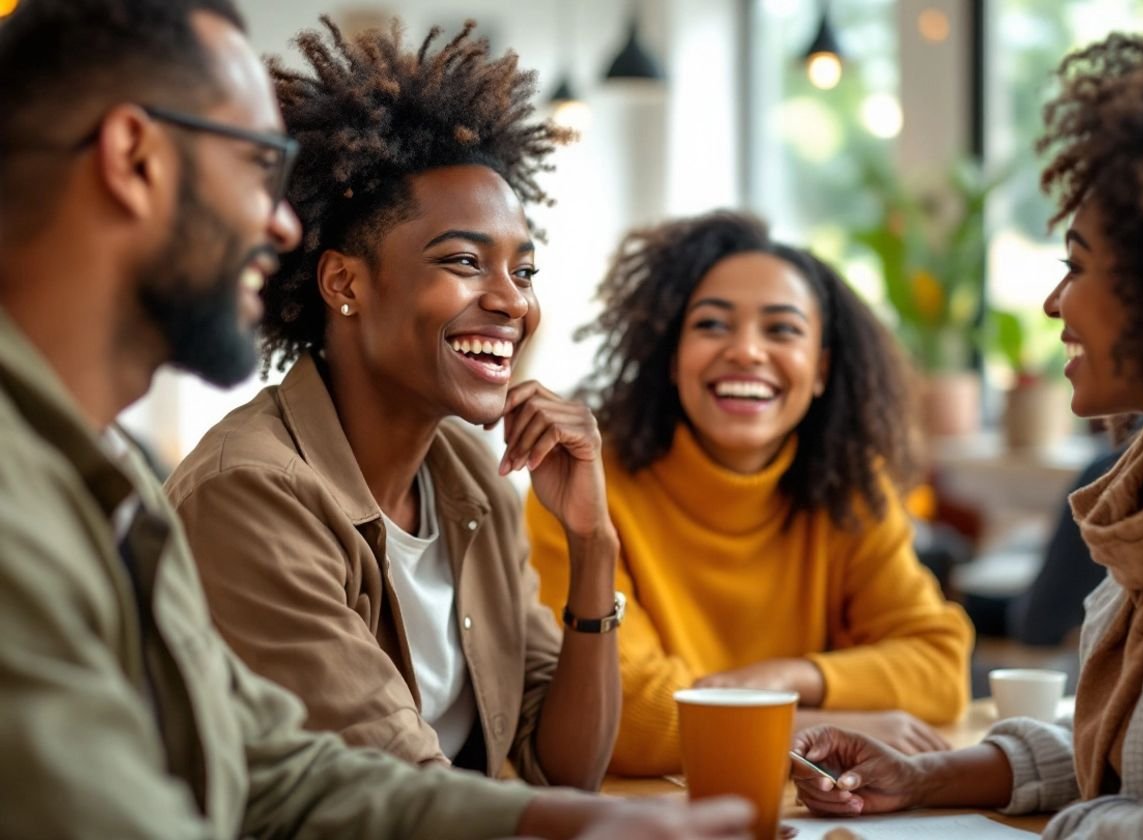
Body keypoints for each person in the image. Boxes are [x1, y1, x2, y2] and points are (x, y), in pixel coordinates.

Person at [0, 1, 750, 837]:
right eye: (255, 166)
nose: (279, 220)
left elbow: (281, 769)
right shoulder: (171, 492)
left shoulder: (112, 475)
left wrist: (566, 820)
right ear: (134, 159)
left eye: (522, 268)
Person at [790, 16, 1143, 837]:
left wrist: (1077, 822)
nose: (1052, 304)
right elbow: (1126, 748)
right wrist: (928, 777)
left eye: (1076, 266)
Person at [164, 17, 620, 789]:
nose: (510, 301)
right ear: (344, 284)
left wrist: (593, 546)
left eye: (524, 271)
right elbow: (403, 798)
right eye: (466, 262)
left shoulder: (471, 482)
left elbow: (563, 765)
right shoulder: (252, 492)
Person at [527, 211, 974, 776]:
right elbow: (628, 716)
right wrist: (816, 725)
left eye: (781, 329)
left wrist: (788, 677)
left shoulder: (848, 490)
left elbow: (940, 667)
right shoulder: (582, 489)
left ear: (819, 371)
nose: (745, 351)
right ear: (672, 358)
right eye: (712, 325)